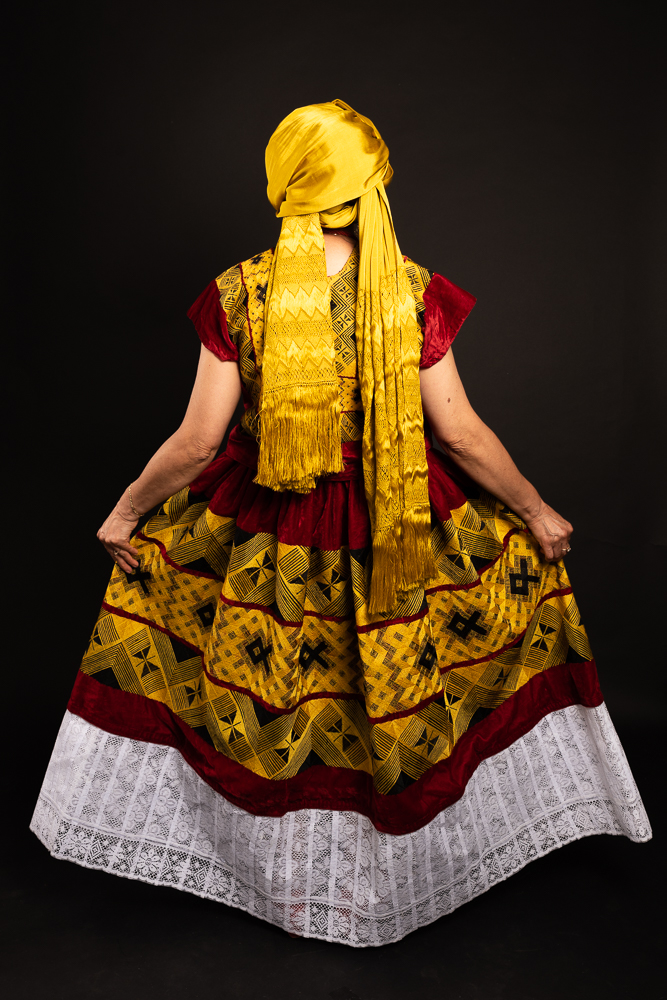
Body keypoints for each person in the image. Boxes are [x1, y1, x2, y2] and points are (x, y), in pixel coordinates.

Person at [31, 100, 651, 947]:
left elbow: (198, 441)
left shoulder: (240, 292)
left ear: (285, 184)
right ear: (366, 187)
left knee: (282, 709)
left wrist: (126, 512)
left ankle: (280, 883)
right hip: (399, 525)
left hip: (266, 536)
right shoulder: (409, 291)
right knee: (383, 707)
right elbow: (459, 435)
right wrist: (535, 512)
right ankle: (381, 884)